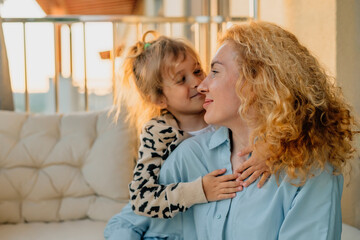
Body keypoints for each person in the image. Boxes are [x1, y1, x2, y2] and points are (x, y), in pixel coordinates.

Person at [106, 21, 357, 239]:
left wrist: (275, 147)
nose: (201, 85)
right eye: (182, 79)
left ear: (257, 81)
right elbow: (131, 215)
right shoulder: (185, 152)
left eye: (210, 71)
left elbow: (306, 118)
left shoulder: (310, 170)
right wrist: (197, 191)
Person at [108, 30, 269, 227]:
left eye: (197, 71)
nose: (196, 82)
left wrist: (269, 150)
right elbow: (142, 199)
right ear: (159, 99)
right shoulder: (159, 133)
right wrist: (199, 190)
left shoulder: (221, 113)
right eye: (181, 80)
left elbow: (265, 126)